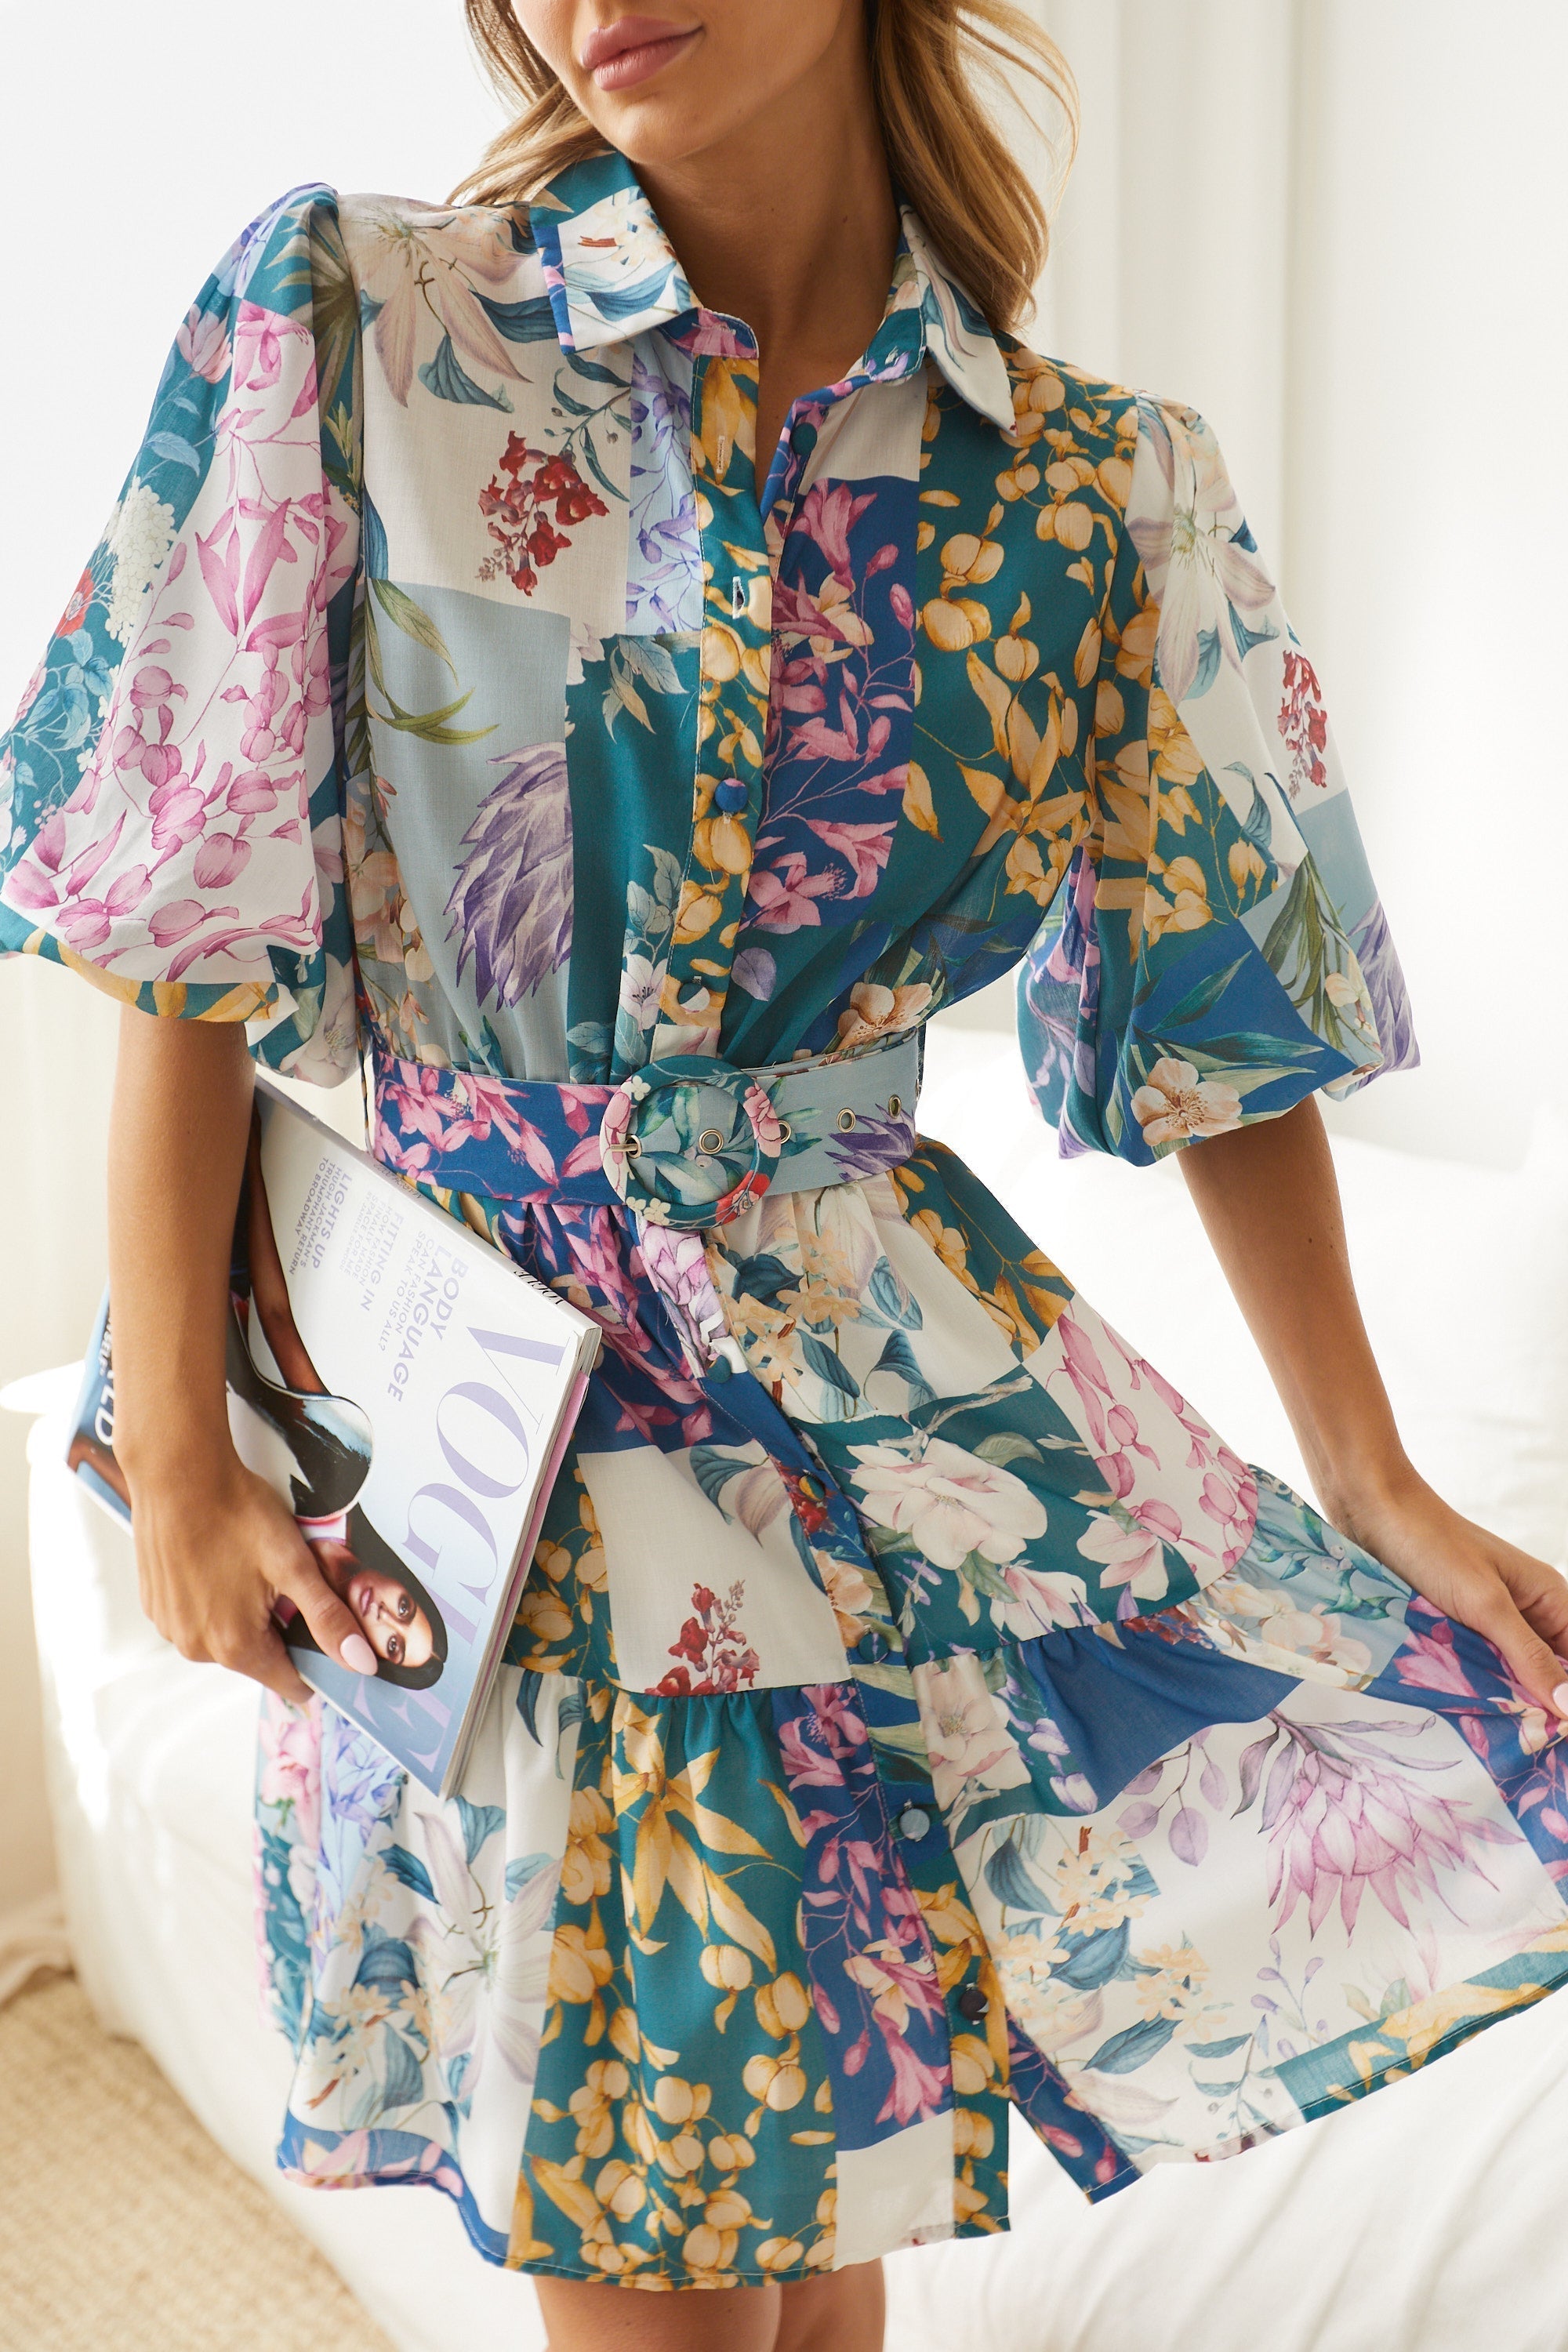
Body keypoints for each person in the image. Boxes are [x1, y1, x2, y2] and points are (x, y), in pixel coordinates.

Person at [5, 5, 1568, 2348]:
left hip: (869, 1454)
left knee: (810, 2286)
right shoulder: (356, 322)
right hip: (505, 1468)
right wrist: (182, 1415)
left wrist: (1372, 1473)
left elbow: (1226, 1017)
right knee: (680, 2284)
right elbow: (185, 901)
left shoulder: (1093, 494)